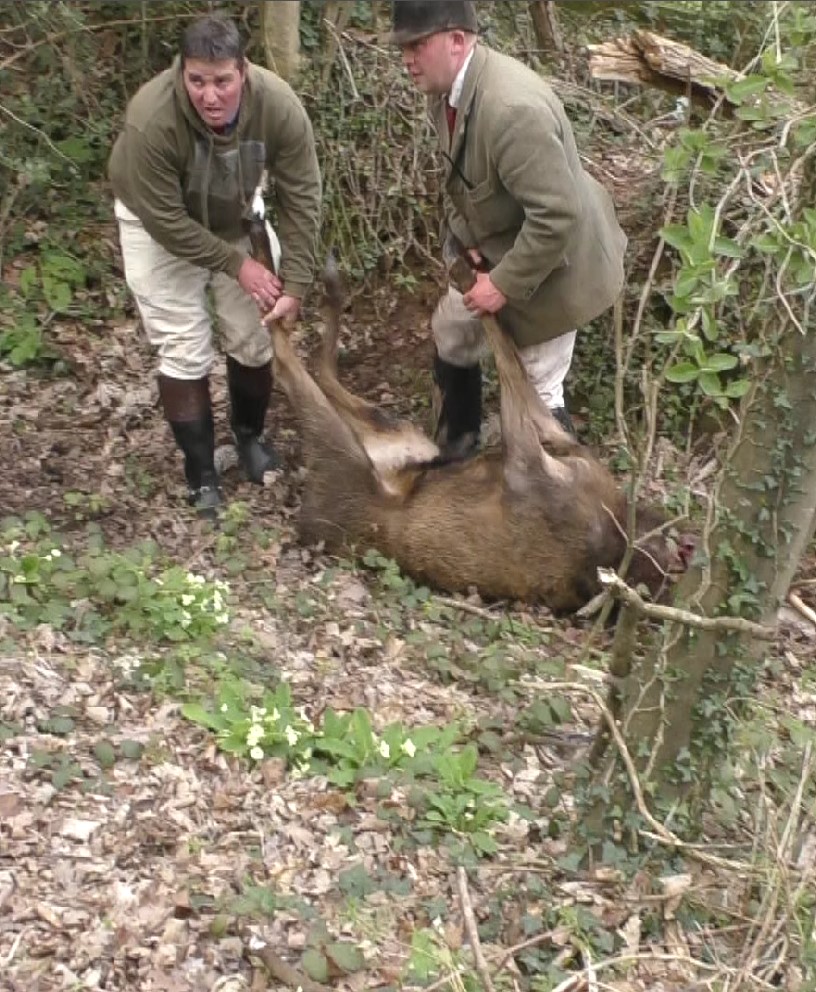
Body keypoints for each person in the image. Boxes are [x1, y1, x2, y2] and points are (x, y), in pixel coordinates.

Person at [391, 0, 627, 455]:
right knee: (453, 329)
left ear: (457, 40)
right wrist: (468, 250)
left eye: (418, 45)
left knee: (537, 390)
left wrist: (500, 283)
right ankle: (457, 450)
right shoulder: (446, 94)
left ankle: (562, 507)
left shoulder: (510, 109)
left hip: (557, 267)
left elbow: (557, 217)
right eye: (403, 46)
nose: (407, 57)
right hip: (504, 247)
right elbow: (463, 183)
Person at [109, 15, 321, 514]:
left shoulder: (278, 105)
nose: (210, 95)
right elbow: (166, 221)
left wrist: (296, 280)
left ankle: (250, 437)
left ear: (243, 71)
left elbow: (303, 194)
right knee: (183, 347)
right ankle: (201, 473)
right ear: (182, 72)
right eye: (197, 80)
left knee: (253, 333)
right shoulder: (151, 118)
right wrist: (236, 265)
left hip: (235, 212)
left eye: (222, 81)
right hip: (155, 224)